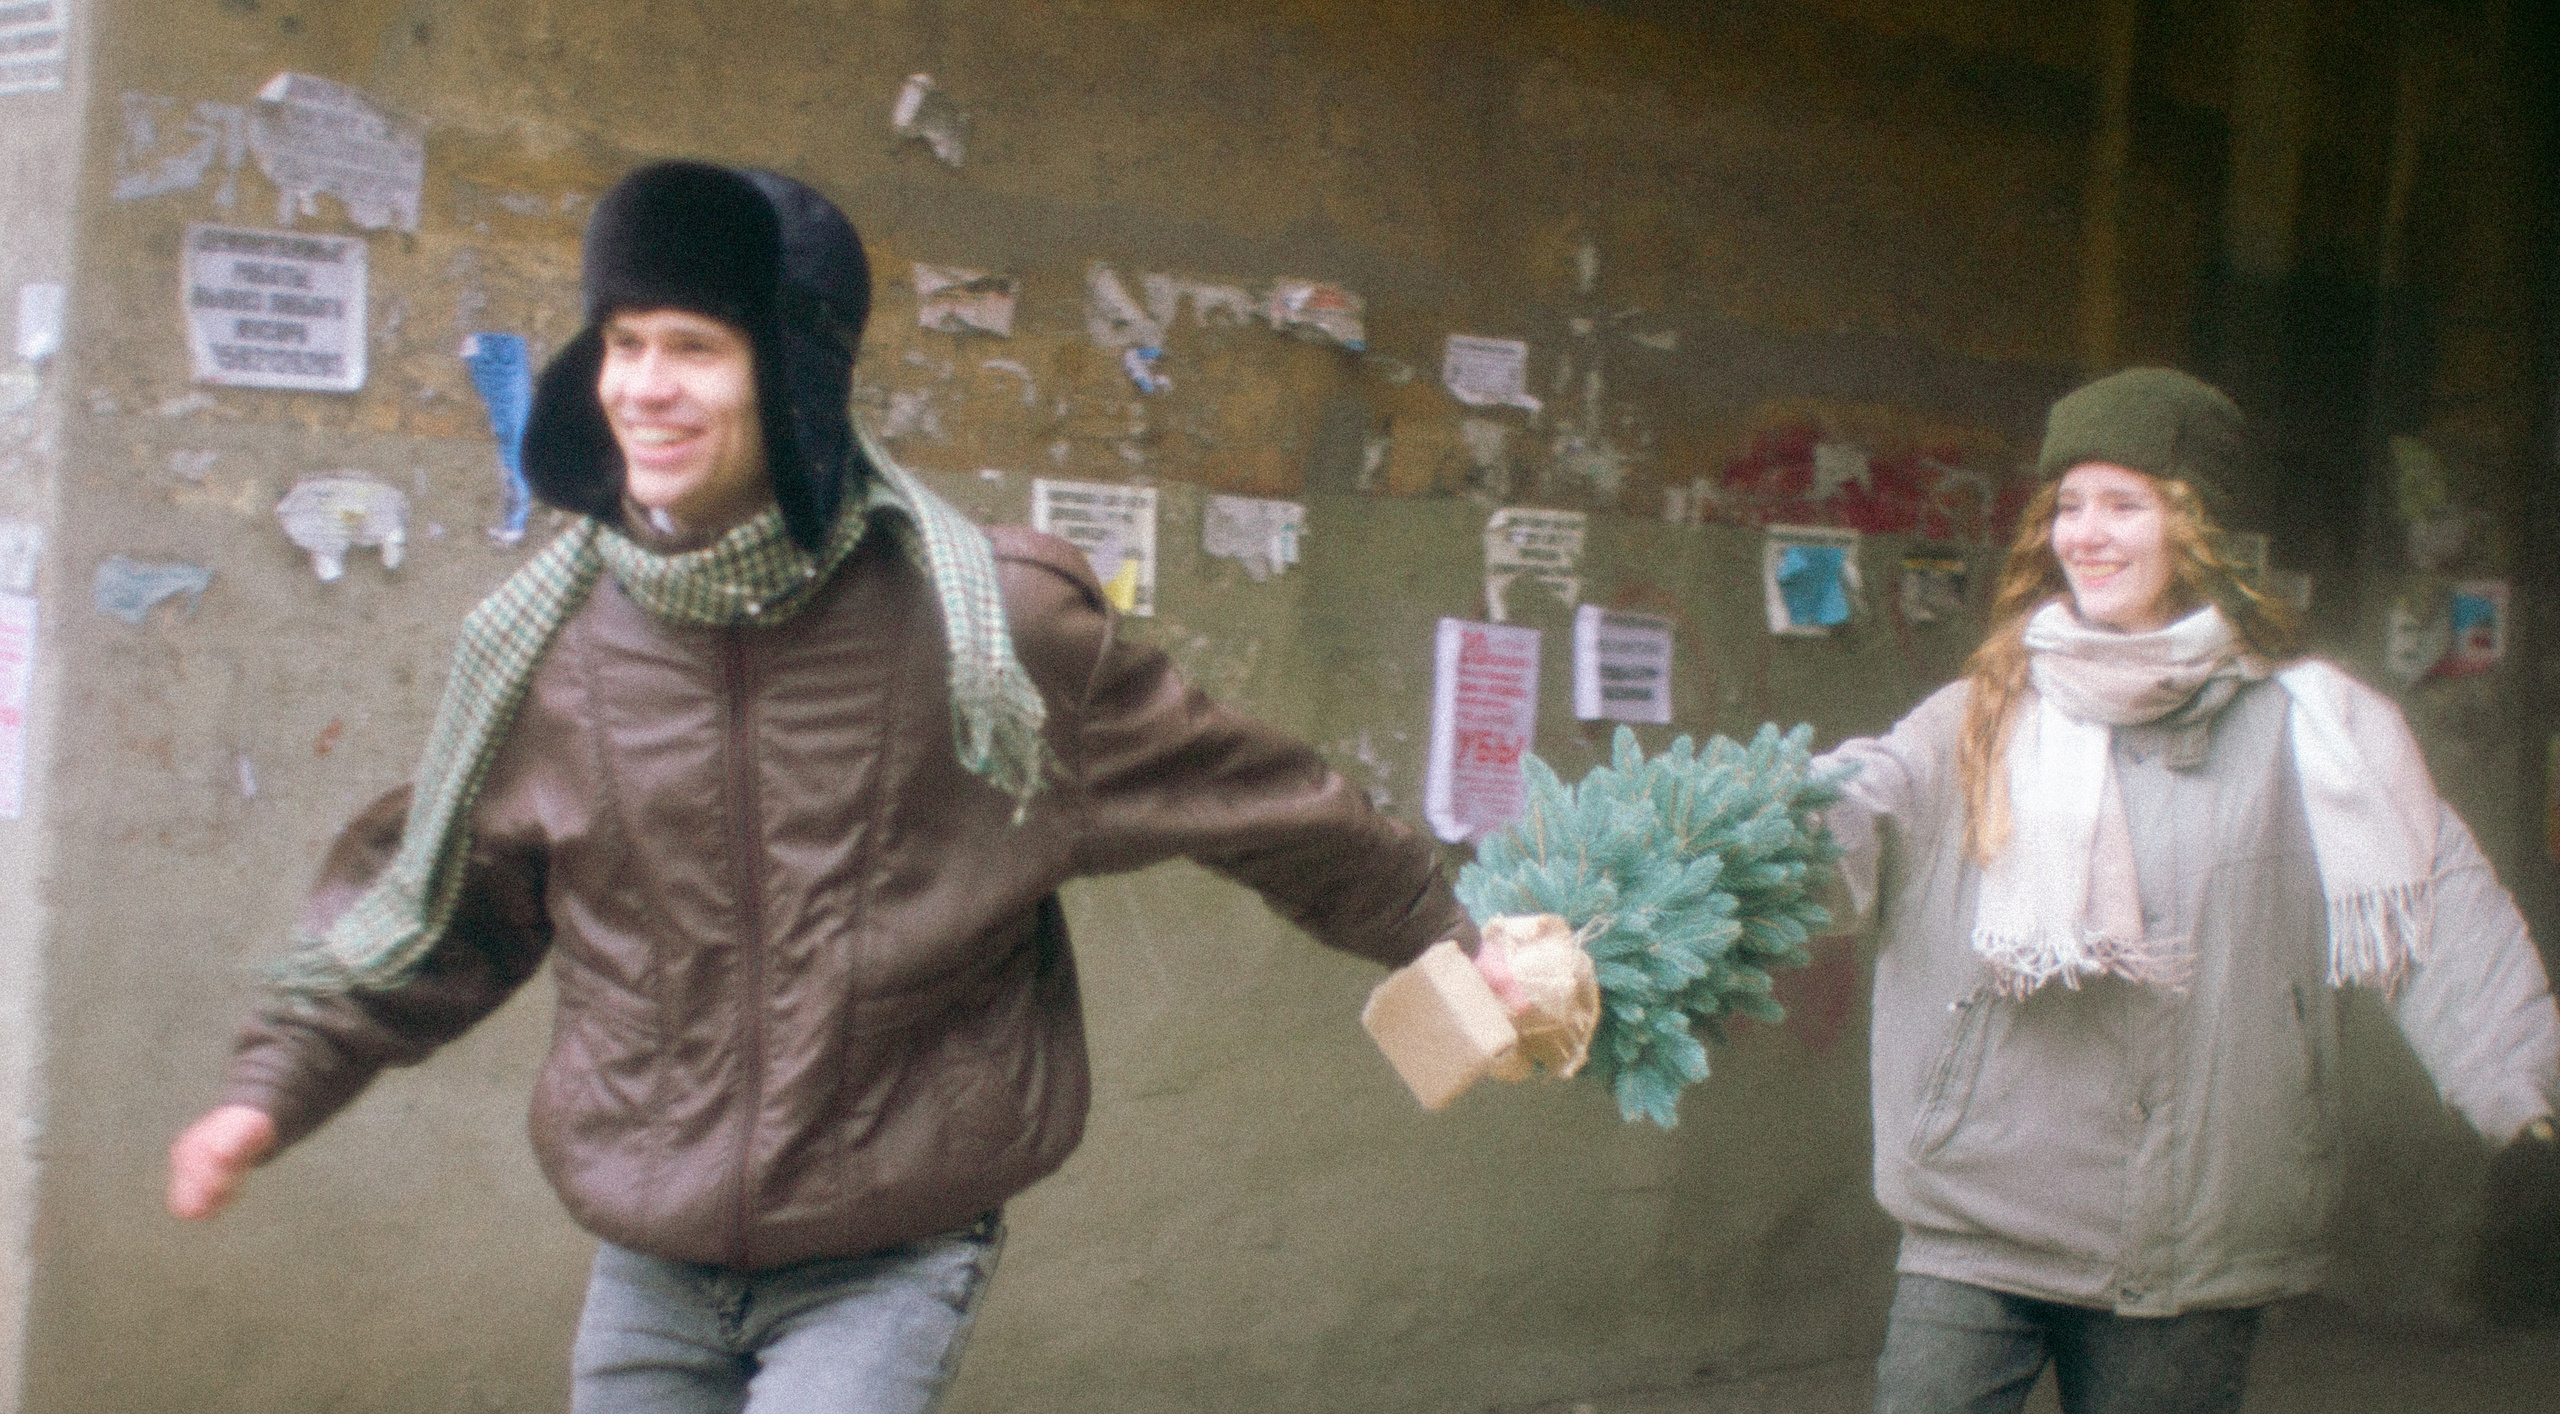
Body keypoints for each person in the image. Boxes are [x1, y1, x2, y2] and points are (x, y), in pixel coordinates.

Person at [167, 160, 1488, 1414]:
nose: (644, 386)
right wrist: (272, 1083)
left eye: (693, 346)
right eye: (623, 343)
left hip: (888, 1244)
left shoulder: (988, 635)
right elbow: (445, 910)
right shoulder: (555, 654)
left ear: (790, 377)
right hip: (652, 1247)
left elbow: (1266, 806)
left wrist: (1465, 943)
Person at [1818, 367, 2560, 1414]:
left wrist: (2525, 1082)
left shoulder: (2310, 733)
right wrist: (1770, 829)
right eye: (2069, 504)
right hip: (1978, 1211)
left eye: (2126, 503)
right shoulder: (1974, 715)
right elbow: (1855, 807)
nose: (2088, 533)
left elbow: (2434, 900)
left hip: (2190, 1234)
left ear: (2195, 527)